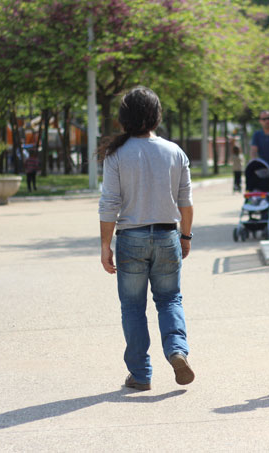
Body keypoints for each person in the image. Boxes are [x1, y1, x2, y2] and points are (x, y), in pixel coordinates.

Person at [98, 86, 195, 391]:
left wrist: (105, 245)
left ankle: (141, 373)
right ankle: (177, 351)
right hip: (167, 235)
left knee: (132, 307)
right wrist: (186, 236)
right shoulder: (174, 151)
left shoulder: (117, 155)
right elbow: (186, 202)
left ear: (124, 117)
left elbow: (109, 203)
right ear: (156, 115)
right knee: (169, 300)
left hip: (131, 238)